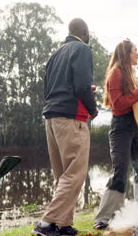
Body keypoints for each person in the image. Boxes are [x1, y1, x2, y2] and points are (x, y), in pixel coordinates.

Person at [34, 18, 98, 236]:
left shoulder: (55, 54)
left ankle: (62, 224)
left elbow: (48, 87)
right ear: (85, 31)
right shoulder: (82, 49)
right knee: (75, 173)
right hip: (72, 117)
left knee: (62, 175)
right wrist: (93, 108)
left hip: (51, 117)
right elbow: (82, 86)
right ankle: (46, 223)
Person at [94, 39, 138, 229]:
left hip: (136, 126)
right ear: (126, 53)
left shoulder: (131, 73)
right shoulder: (116, 73)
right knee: (120, 172)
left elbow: (133, 100)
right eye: (136, 50)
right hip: (121, 127)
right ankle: (104, 218)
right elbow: (118, 105)